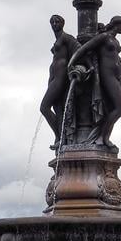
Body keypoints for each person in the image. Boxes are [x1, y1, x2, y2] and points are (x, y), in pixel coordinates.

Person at [67, 16, 121, 150]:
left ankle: (104, 137)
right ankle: (101, 137)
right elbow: (84, 49)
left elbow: (118, 59)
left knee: (110, 109)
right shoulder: (103, 37)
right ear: (117, 24)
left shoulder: (114, 39)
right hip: (107, 75)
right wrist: (71, 63)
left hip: (118, 76)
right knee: (120, 108)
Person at [40, 15, 79, 148]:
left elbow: (79, 50)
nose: (54, 24)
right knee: (57, 108)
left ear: (63, 23)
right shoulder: (58, 40)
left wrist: (76, 67)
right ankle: (61, 137)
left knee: (44, 107)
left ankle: (59, 136)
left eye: (57, 22)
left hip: (61, 77)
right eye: (52, 22)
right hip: (54, 77)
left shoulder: (67, 38)